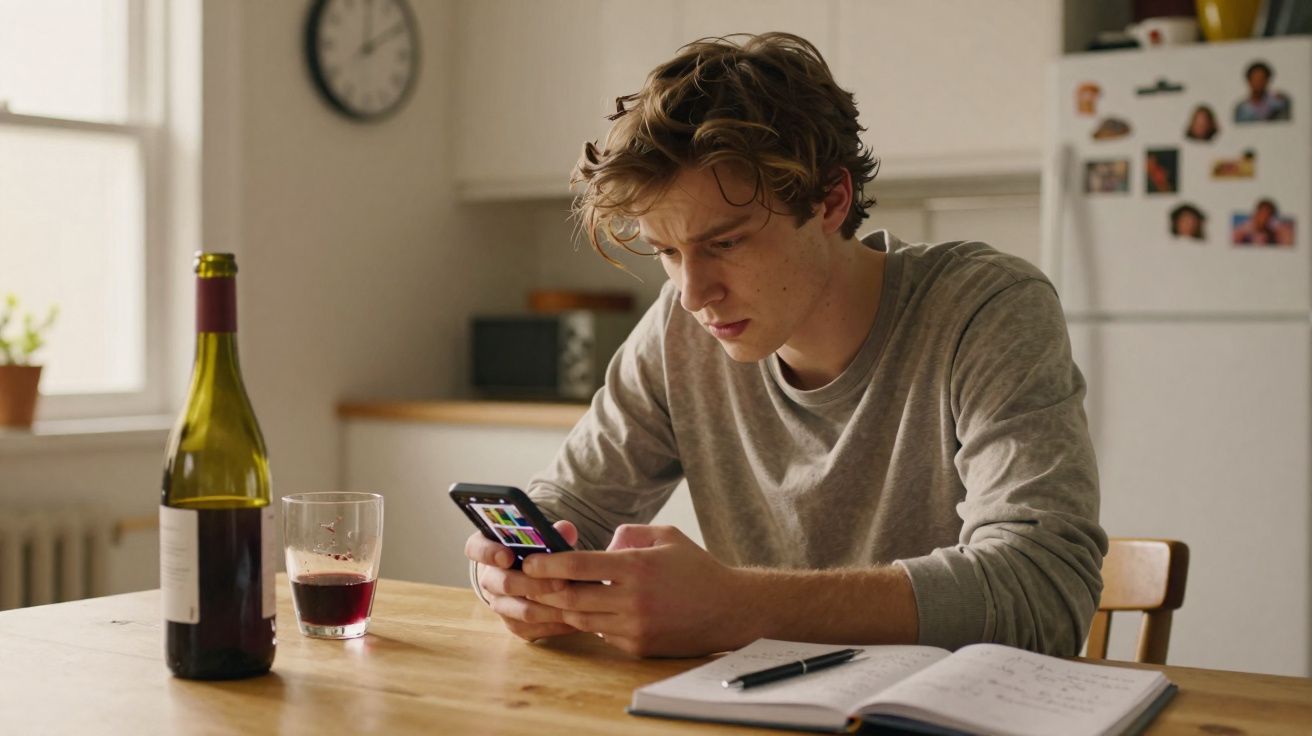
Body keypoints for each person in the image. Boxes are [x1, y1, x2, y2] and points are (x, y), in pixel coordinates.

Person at [464, 32, 1105, 659]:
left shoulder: (984, 308)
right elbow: (565, 508)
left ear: (831, 201)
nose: (693, 293)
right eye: (667, 252)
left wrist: (736, 605)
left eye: (726, 243)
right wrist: (512, 577)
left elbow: (1043, 593)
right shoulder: (678, 331)